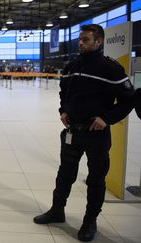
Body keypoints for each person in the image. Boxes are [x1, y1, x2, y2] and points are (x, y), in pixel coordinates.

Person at [33, 24, 134, 242]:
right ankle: (57, 210)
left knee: (96, 179)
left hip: (96, 135)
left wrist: (107, 118)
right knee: (64, 174)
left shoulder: (110, 69)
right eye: (80, 39)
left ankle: (90, 221)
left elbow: (128, 100)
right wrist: (63, 111)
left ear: (98, 42)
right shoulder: (72, 66)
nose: (81, 43)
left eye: (86, 40)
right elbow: (63, 92)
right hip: (72, 132)